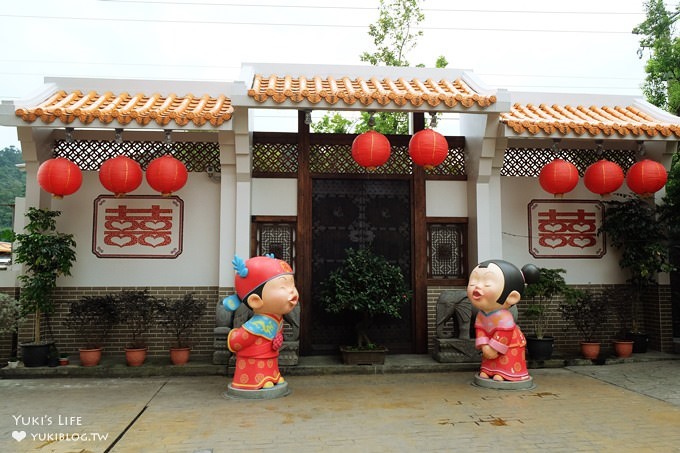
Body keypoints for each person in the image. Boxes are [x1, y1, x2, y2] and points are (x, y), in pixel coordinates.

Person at [223, 254, 299, 390]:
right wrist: (234, 335)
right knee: (257, 369)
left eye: (292, 286)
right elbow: (237, 342)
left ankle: (272, 376)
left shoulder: (277, 317)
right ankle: (256, 381)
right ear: (255, 300)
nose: (292, 292)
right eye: (283, 288)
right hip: (253, 359)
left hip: (270, 356)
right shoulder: (257, 324)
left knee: (270, 368)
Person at [467, 259, 539, 382]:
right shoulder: (481, 314)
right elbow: (480, 329)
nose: (477, 286)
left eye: (487, 283)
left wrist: (493, 348)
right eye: (474, 281)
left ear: (512, 297)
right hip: (489, 345)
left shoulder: (505, 317)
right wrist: (484, 346)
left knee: (505, 357)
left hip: (510, 345)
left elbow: (503, 335)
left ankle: (505, 373)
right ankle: (488, 371)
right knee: (489, 358)